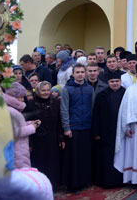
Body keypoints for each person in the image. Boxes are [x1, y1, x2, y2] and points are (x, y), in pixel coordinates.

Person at [60, 63, 94, 191]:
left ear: (85, 74)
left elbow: (92, 107)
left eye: (82, 72)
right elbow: (64, 110)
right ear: (73, 74)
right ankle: (73, 184)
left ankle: (84, 181)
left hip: (86, 126)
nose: (80, 74)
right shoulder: (67, 89)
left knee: (84, 156)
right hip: (73, 127)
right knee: (73, 158)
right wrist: (66, 128)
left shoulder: (89, 89)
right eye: (77, 72)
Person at [26, 81, 63, 190]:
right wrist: (30, 143)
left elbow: (59, 121)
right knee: (40, 163)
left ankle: (53, 185)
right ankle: (40, 187)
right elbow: (28, 122)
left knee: (53, 163)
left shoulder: (55, 102)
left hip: (52, 138)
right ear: (38, 91)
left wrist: (60, 137)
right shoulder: (31, 104)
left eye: (48, 90)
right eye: (43, 90)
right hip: (37, 139)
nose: (46, 92)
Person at [4, 83, 40, 169]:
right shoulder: (12, 111)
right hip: (17, 151)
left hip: (18, 150)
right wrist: (32, 128)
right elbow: (14, 132)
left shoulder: (12, 110)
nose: (23, 99)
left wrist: (30, 123)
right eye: (20, 97)